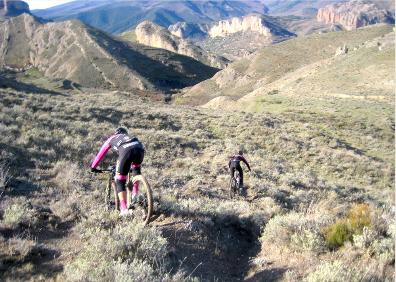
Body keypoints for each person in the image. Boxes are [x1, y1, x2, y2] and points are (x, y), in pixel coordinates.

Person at [90, 127, 145, 216]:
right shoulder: (128, 136)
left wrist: (93, 167)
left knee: (120, 180)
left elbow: (101, 154)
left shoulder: (112, 138)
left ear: (116, 133)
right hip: (139, 147)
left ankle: (124, 210)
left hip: (126, 150)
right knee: (136, 169)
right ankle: (135, 195)